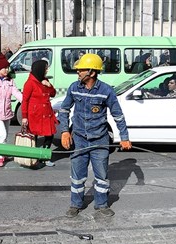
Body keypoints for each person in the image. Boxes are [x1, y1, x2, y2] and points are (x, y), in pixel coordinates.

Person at [58, 53, 132, 218]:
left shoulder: (106, 91)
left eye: (81, 70)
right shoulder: (74, 88)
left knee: (101, 176)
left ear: (91, 72)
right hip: (79, 140)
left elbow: (118, 115)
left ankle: (101, 204)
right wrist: (64, 131)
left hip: (100, 141)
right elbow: (64, 110)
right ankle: (75, 204)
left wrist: (125, 138)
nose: (78, 72)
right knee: (77, 176)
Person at [21, 59, 58, 167]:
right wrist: (24, 117)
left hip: (46, 113)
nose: (47, 70)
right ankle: (34, 157)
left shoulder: (44, 80)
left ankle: (45, 157)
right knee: (34, 136)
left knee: (49, 135)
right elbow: (25, 101)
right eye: (46, 68)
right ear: (40, 69)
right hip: (35, 114)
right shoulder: (29, 83)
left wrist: (49, 85)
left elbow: (53, 94)